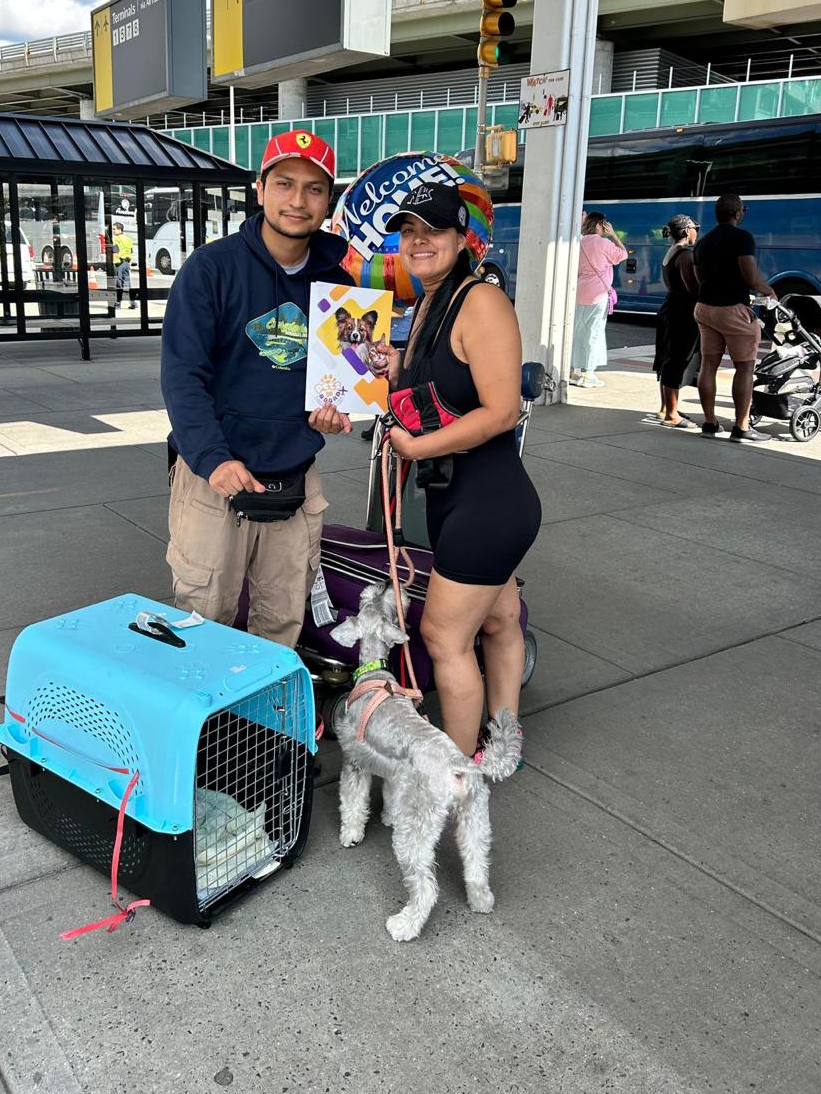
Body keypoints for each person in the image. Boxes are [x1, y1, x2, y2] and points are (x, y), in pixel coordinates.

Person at [370, 181, 542, 762]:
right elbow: (442, 386)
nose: (419, 242)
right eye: (408, 232)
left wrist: (416, 448)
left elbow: (502, 411)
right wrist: (395, 367)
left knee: (444, 637)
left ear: (462, 238)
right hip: (457, 497)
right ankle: (503, 745)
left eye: (434, 231)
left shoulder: (480, 301)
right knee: (500, 620)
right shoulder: (429, 302)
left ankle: (453, 779)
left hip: (489, 502)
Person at [161, 130, 352, 648]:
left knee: (282, 621)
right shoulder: (211, 268)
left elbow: (342, 375)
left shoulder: (340, 282)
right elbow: (182, 375)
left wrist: (334, 409)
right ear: (260, 189)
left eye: (314, 188)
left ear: (327, 201)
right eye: (285, 183)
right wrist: (212, 458)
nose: (298, 200)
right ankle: (201, 706)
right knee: (202, 619)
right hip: (216, 474)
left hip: (294, 472)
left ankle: (265, 705)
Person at [693, 194, 776, 442]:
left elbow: (699, 278)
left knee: (708, 365)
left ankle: (710, 423)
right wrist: (769, 292)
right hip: (732, 309)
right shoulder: (742, 237)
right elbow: (750, 276)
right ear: (738, 213)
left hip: (704, 307)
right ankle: (741, 427)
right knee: (745, 368)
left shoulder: (703, 242)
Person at [652, 215, 699, 428]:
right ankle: (672, 415)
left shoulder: (670, 252)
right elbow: (693, 288)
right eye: (695, 228)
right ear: (687, 230)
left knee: (667, 359)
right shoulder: (685, 255)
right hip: (683, 313)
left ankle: (666, 408)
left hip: (669, 309)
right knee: (677, 361)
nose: (697, 232)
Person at [570, 212, 627, 388]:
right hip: (597, 295)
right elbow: (623, 254)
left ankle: (575, 371)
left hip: (579, 292)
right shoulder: (603, 243)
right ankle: (588, 374)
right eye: (603, 225)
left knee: (578, 332)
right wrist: (614, 235)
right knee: (593, 333)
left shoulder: (578, 242)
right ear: (598, 226)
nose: (604, 228)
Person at [112, 221, 136, 310]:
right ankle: (133, 302)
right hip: (126, 262)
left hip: (119, 262)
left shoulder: (116, 239)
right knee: (128, 283)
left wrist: (115, 263)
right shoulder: (128, 239)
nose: (113, 231)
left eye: (114, 229)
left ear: (119, 229)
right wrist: (129, 261)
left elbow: (115, 251)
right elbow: (131, 251)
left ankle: (118, 304)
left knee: (119, 284)